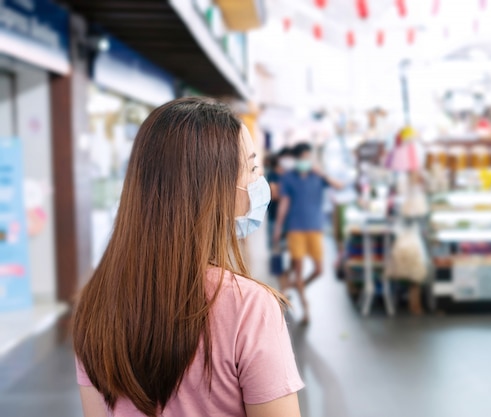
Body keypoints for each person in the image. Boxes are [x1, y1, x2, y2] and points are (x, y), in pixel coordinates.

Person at [73, 98, 304, 417]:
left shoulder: (96, 304)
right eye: (251, 168)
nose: (258, 181)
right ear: (213, 187)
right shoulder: (250, 307)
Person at [274, 142, 342, 324]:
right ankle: (306, 310)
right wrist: (278, 227)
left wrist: (323, 174)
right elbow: (284, 203)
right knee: (298, 270)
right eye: (303, 158)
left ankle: (297, 286)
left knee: (319, 270)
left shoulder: (318, 176)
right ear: (297, 159)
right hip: (295, 228)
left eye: (308, 157)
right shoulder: (288, 178)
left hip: (315, 227)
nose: (306, 160)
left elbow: (339, 186)